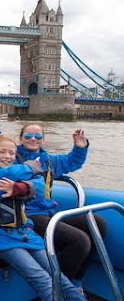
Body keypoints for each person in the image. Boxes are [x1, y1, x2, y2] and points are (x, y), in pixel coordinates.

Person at [0, 134, 86, 301]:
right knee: (43, 280)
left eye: (11, 153)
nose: (7, 156)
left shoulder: (16, 174)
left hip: (26, 233)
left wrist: (20, 188)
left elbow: (40, 188)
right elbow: (4, 175)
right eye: (2, 152)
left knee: (58, 276)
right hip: (2, 237)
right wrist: (32, 166)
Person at [15, 123, 107, 289]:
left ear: (43, 140)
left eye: (38, 136)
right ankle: (57, 289)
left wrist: (80, 147)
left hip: (48, 213)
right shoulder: (12, 158)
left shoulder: (49, 160)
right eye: (28, 136)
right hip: (26, 216)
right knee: (79, 240)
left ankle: (75, 281)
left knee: (98, 224)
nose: (33, 139)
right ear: (21, 138)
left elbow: (72, 162)